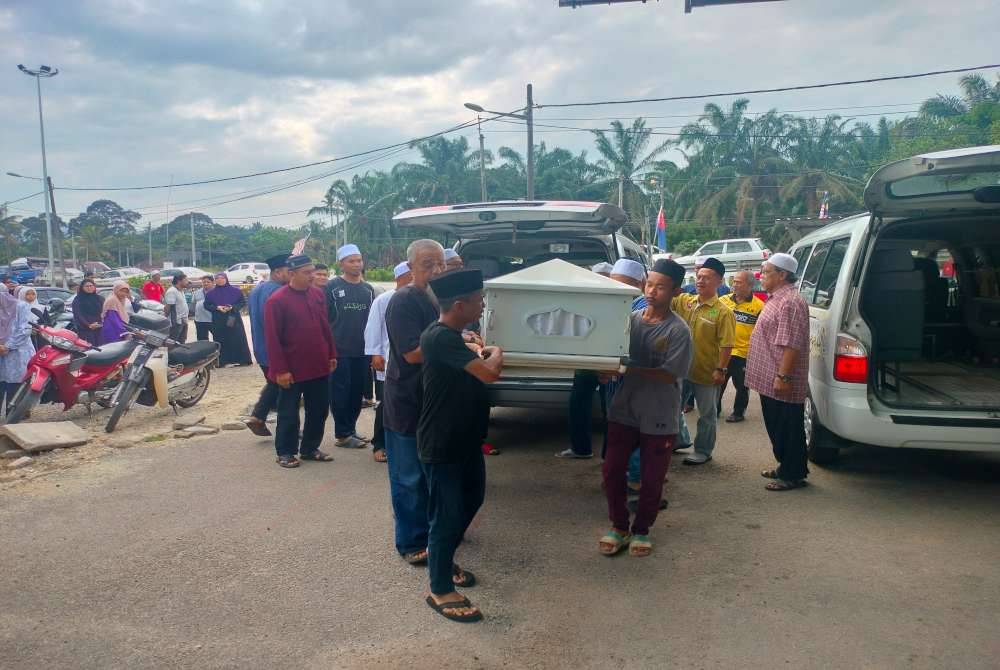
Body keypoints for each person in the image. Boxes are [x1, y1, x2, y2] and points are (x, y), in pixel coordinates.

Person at [419, 268, 504, 623]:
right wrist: (496, 350)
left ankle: (444, 559)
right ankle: (439, 588)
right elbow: (488, 373)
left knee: (472, 499)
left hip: (466, 438)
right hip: (443, 442)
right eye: (479, 300)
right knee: (446, 515)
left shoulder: (454, 336)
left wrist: (478, 348)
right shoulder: (440, 337)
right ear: (459, 304)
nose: (483, 305)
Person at [599, 259, 692, 558]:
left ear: (675, 291)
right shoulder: (631, 320)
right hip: (624, 409)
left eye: (661, 287)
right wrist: (605, 369)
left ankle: (642, 530)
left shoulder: (679, 331)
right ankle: (619, 526)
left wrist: (626, 369)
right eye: (649, 284)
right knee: (612, 471)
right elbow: (612, 356)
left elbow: (669, 374)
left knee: (652, 479)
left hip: (660, 414)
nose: (652, 291)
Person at [384, 239, 446, 564]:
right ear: (410, 269)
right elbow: (412, 353)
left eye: (440, 264)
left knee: (430, 474)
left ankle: (435, 532)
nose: (436, 270)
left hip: (430, 401)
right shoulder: (404, 300)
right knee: (408, 477)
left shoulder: (437, 299)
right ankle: (411, 542)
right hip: (406, 401)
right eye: (427, 265)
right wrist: (452, 344)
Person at [559, 258, 647, 460]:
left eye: (619, 283)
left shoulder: (639, 307)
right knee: (614, 420)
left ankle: (627, 472)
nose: (612, 287)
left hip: (631, 378)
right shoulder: (617, 302)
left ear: (637, 284)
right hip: (612, 375)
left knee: (627, 425)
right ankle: (611, 461)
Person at [264, 255, 338, 468]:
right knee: (288, 412)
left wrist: (331, 353)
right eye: (307, 272)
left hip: (318, 364)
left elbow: (325, 327)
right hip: (291, 369)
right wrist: (280, 370)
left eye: (313, 271)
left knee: (319, 409)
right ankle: (285, 452)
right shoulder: (277, 301)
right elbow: (273, 339)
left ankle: (309, 448)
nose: (312, 276)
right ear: (291, 274)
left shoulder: (316, 294)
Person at [746, 253, 811, 491]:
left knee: (788, 427)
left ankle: (793, 474)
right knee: (777, 426)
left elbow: (792, 344)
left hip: (780, 379)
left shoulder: (790, 302)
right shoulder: (777, 298)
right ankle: (786, 466)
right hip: (770, 379)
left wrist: (783, 376)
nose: (761, 276)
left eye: (766, 272)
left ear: (782, 275)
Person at [671, 257, 735, 466]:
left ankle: (703, 450)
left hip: (707, 372)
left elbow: (727, 344)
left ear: (719, 281)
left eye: (706, 278)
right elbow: (666, 298)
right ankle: (679, 440)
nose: (700, 281)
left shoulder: (723, 311)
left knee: (707, 414)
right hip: (681, 369)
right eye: (699, 277)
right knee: (672, 407)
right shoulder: (686, 301)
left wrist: (721, 369)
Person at [325, 244, 375, 449]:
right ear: (341, 264)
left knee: (357, 392)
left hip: (362, 350)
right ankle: (342, 433)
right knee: (340, 392)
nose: (356, 264)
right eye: (351, 261)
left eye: (359, 260)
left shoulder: (368, 289)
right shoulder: (332, 287)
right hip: (339, 350)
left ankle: (351, 429)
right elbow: (325, 320)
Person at [364, 261, 412, 463]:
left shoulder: (421, 298)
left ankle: (404, 444)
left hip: (412, 362)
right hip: (388, 360)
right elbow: (373, 328)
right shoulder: (384, 299)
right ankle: (380, 444)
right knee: (386, 404)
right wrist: (375, 354)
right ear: (400, 277)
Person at [245, 254, 291, 437]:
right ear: (278, 272)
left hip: (261, 349)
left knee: (274, 386)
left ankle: (258, 417)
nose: (292, 274)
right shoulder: (277, 292)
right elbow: (277, 326)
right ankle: (287, 430)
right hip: (276, 351)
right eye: (290, 271)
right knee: (284, 392)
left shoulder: (258, 289)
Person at [718, 270, 765, 422]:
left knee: (742, 386)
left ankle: (738, 413)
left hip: (744, 353)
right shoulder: (723, 300)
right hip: (723, 350)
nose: (734, 284)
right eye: (734, 281)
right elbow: (712, 317)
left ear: (750, 285)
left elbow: (760, 333)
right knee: (718, 382)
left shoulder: (759, 306)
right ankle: (715, 409)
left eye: (739, 282)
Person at [0, 279, 36, 413]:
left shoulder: (21, 306)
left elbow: (25, 329)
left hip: (18, 351)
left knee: (15, 383)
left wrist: (7, 346)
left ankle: (15, 413)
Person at [204, 273, 252, 367]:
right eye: (217, 278)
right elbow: (206, 305)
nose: (220, 280)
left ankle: (241, 360)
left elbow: (242, 302)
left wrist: (232, 307)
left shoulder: (236, 291)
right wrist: (217, 307)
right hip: (218, 318)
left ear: (226, 279)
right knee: (221, 338)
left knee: (237, 337)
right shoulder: (211, 293)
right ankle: (223, 361)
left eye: (222, 278)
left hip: (233, 317)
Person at [72, 278, 105, 347]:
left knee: (101, 347)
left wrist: (101, 323)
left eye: (91, 286)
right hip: (85, 329)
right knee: (89, 348)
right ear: (82, 288)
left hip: (100, 327)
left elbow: (105, 312)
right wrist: (88, 325)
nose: (89, 288)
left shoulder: (100, 299)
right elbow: (78, 315)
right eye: (86, 286)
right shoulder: (78, 300)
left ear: (94, 287)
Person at [163, 273, 190, 343]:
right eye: (186, 280)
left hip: (184, 320)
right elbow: (168, 307)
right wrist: (165, 320)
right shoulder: (172, 291)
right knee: (173, 342)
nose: (188, 282)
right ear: (179, 281)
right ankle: (172, 354)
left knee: (182, 342)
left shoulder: (181, 290)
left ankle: (180, 354)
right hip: (176, 322)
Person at [192, 276, 214, 341]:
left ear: (213, 283)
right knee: (202, 340)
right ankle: (205, 351)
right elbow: (193, 304)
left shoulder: (217, 292)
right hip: (200, 320)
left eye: (208, 282)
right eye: (204, 282)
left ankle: (218, 350)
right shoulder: (197, 292)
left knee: (218, 338)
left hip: (213, 320)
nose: (206, 283)